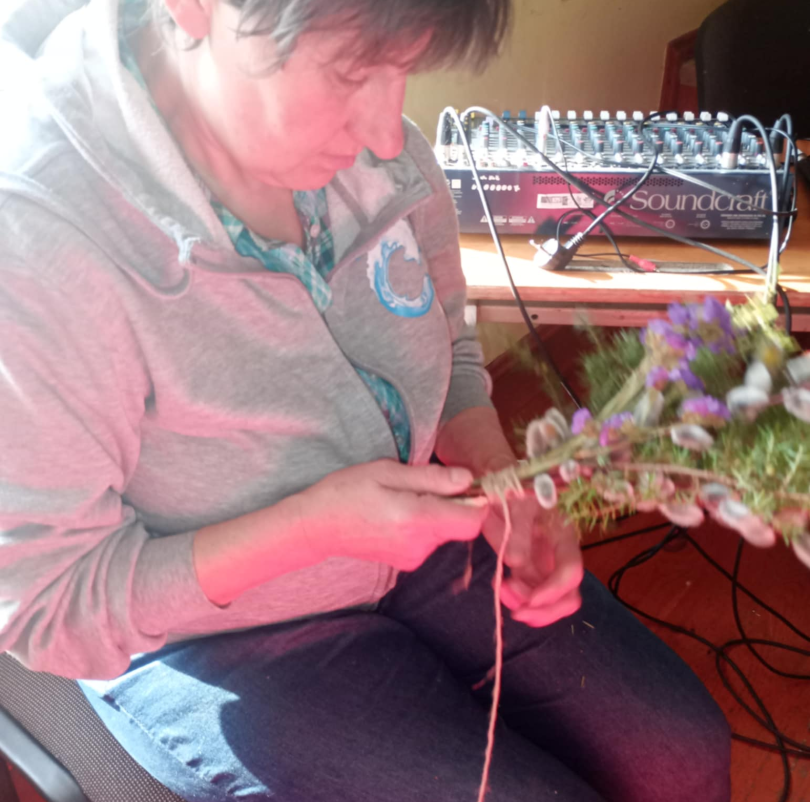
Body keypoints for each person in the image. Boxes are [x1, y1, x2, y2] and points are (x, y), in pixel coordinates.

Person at [0, 0, 731, 799]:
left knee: (680, 756)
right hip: (212, 638)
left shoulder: (384, 159)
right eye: (351, 74)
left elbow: (446, 341)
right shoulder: (40, 242)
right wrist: (312, 530)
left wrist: (499, 481)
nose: (388, 135)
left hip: (412, 543)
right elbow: (49, 609)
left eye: (405, 67)